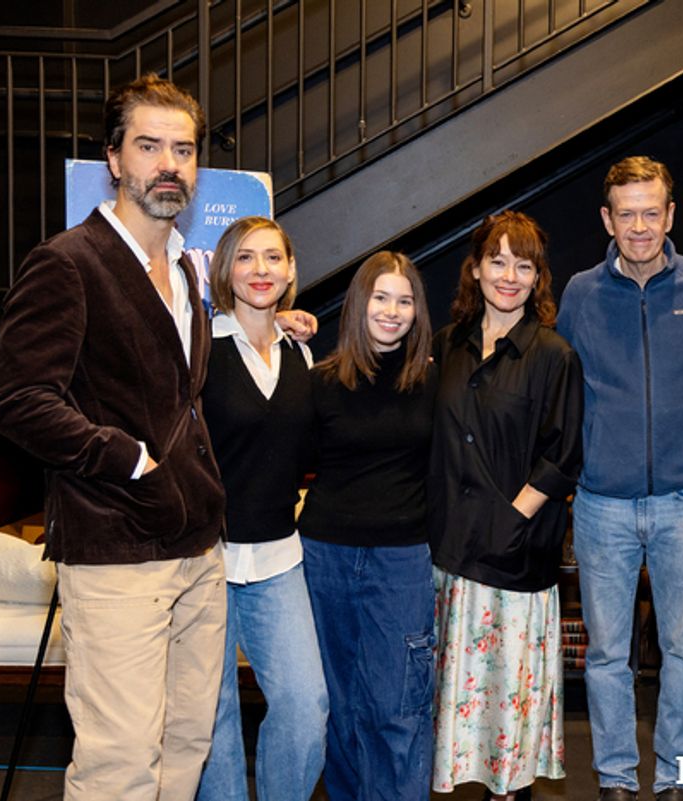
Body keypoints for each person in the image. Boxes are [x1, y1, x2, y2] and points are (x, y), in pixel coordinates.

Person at [0, 74, 227, 801]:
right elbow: (19, 399)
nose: (168, 165)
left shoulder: (189, 267)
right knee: (120, 764)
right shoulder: (69, 262)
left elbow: (174, 393)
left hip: (197, 550)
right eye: (149, 145)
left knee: (186, 742)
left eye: (182, 150)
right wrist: (129, 459)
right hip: (113, 551)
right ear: (114, 159)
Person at [557, 156, 683, 801]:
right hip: (602, 503)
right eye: (628, 214)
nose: (641, 226)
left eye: (653, 212)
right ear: (608, 219)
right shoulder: (581, 293)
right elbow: (559, 381)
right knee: (606, 657)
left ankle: (678, 776)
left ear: (671, 214)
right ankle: (617, 778)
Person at [428, 210, 583, 799]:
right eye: (497, 260)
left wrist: (511, 516)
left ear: (538, 277)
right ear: (475, 267)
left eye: (524, 264)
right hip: (447, 553)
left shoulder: (553, 355)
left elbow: (563, 454)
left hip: (512, 560)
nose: (509, 275)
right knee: (455, 703)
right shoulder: (447, 344)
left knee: (502, 710)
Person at [196, 217, 328, 801]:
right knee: (213, 714)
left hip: (279, 558)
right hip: (205, 562)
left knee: (306, 704)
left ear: (291, 270)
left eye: (273, 258)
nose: (260, 271)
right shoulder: (198, 345)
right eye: (245, 258)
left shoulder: (301, 351)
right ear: (225, 269)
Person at [299, 251, 438, 800]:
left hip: (401, 559)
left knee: (397, 707)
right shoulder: (319, 382)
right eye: (381, 297)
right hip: (324, 555)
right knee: (338, 707)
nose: (392, 310)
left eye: (405, 301)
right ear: (359, 303)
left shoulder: (433, 378)